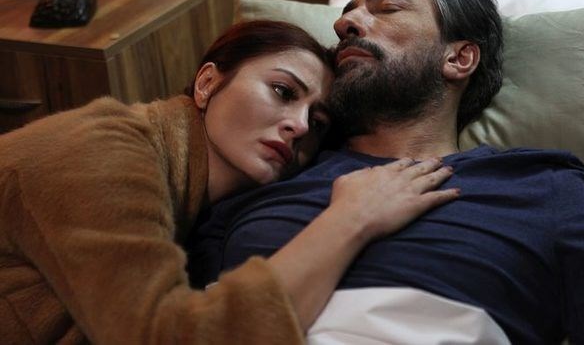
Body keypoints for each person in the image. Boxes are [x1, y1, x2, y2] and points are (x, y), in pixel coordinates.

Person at [187, 0, 584, 344]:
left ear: (458, 58)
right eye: (347, 15)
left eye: (388, 8)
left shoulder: (543, 187)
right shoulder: (269, 169)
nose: (344, 24)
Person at [0, 20, 459, 344]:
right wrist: (351, 220)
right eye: (282, 91)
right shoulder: (103, 149)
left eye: (318, 123)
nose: (300, 125)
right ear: (206, 84)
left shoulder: (193, 199)